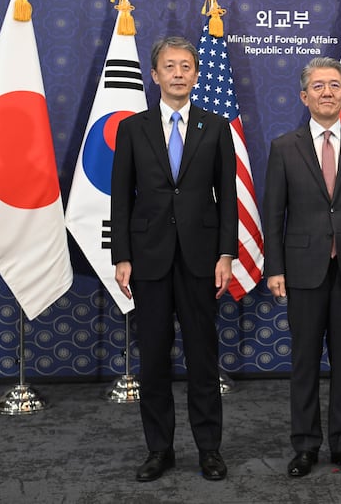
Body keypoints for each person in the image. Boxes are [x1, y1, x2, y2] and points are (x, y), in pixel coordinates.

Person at [111, 36, 237, 482]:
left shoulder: (216, 127)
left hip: (202, 260)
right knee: (155, 361)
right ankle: (159, 449)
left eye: (186, 65)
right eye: (170, 66)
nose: (179, 73)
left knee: (204, 357)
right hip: (147, 260)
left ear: (197, 75)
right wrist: (122, 255)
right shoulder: (132, 128)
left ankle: (209, 449)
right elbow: (121, 200)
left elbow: (228, 199)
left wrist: (227, 254)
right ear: (156, 74)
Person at [263, 57, 341, 478]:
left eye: (334, 84)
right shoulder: (283, 147)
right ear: (304, 96)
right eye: (318, 86)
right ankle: (305, 446)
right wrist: (274, 268)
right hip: (301, 269)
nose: (327, 92)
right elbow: (273, 213)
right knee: (304, 361)